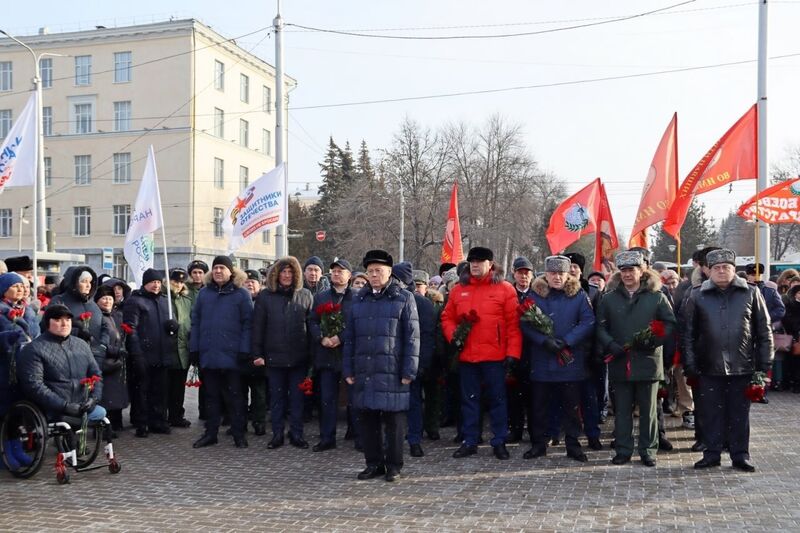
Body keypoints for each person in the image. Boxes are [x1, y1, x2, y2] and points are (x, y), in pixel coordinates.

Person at [683, 249, 773, 472]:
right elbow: (687, 334)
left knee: (739, 415)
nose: (721, 271)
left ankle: (740, 455)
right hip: (708, 366)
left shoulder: (751, 293)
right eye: (716, 268)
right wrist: (691, 365)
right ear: (709, 271)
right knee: (710, 414)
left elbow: (764, 331)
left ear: (734, 270)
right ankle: (711, 454)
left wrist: (764, 366)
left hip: (742, 366)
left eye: (726, 267)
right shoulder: (696, 295)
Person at [343, 250, 420, 482]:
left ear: (389, 273)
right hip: (365, 369)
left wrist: (409, 371)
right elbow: (350, 338)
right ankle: (373, 463)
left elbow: (412, 338)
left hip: (392, 370)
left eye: (379, 271)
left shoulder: (404, 298)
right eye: (370, 271)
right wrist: (348, 369)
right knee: (368, 422)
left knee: (394, 423)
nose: (374, 275)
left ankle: (394, 466)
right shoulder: (359, 299)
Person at [441, 246, 522, 460]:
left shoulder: (505, 289)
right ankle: (470, 441)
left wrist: (513, 353)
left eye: (479, 261)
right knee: (469, 401)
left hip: (495, 357)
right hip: (468, 356)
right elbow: (447, 318)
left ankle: (499, 441)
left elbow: (513, 325)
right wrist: (454, 337)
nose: (475, 265)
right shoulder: (459, 289)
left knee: (497, 401)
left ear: (491, 264)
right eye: (472, 261)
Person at [596, 251, 676, 467]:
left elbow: (669, 324)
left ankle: (648, 450)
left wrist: (651, 341)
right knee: (622, 410)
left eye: (632, 270)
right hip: (619, 361)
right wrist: (611, 344)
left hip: (647, 361)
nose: (627, 274)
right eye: (623, 270)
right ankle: (623, 449)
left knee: (649, 410)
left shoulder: (657, 296)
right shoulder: (609, 298)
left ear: (642, 271)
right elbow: (600, 327)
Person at [522, 256, 595, 462]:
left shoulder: (578, 295)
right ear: (546, 274)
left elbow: (588, 322)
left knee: (572, 407)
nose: (557, 277)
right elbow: (525, 323)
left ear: (568, 274)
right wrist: (543, 341)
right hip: (542, 360)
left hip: (569, 361)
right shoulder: (534, 295)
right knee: (539, 407)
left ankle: (573, 445)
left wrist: (567, 341)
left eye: (561, 273)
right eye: (553, 273)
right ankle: (539, 444)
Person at [191, 256, 253, 449]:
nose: (218, 271)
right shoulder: (204, 294)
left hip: (233, 357)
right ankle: (211, 433)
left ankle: (238, 434)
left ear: (230, 271)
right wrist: (194, 348)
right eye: (215, 268)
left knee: (235, 398)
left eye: (222, 268)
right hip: (209, 355)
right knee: (211, 397)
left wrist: (244, 350)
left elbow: (248, 324)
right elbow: (195, 323)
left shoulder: (241, 294)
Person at [251, 256, 313, 450]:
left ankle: (296, 433)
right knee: (277, 399)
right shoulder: (265, 296)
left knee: (297, 399)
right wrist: (257, 354)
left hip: (299, 357)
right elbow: (258, 327)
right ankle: (277, 434)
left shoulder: (305, 295)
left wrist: (312, 356)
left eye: (290, 272)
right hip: (274, 357)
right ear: (276, 274)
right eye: (283, 272)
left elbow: (311, 327)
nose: (287, 276)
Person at [17, 304, 105, 423]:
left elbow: (96, 375)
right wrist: (64, 406)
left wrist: (93, 399)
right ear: (47, 323)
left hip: (81, 405)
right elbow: (34, 385)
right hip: (52, 408)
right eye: (58, 320)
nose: (65, 324)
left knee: (101, 412)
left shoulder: (81, 344)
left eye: (68, 320)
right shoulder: (34, 349)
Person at [123, 268, 177, 438]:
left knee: (160, 390)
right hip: (144, 354)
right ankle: (142, 422)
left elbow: (173, 323)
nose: (156, 285)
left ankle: (159, 421)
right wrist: (137, 354)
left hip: (162, 353)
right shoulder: (136, 301)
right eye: (153, 282)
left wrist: (175, 327)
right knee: (142, 391)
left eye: (159, 282)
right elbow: (131, 329)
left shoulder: (165, 301)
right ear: (145, 283)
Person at [309, 258, 354, 452]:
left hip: (348, 355)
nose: (336, 274)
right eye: (334, 271)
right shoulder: (321, 297)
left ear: (349, 276)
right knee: (327, 399)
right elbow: (312, 321)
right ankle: (327, 437)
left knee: (353, 398)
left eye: (341, 271)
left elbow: (357, 324)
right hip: (326, 355)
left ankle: (356, 434)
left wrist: (340, 337)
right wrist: (321, 337)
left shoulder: (357, 297)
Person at [392, 263, 435, 458]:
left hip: (413, 361)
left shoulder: (423, 304)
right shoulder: (387, 299)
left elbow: (426, 337)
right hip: (391, 362)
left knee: (414, 401)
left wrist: (422, 363)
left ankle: (414, 439)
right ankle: (394, 439)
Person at [49, 265, 105, 363]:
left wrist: (103, 345)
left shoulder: (93, 304)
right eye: (84, 281)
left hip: (94, 357)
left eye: (90, 282)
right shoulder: (59, 301)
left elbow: (104, 325)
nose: (88, 285)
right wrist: (76, 332)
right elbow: (48, 326)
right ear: (74, 283)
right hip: (67, 356)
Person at [94, 284, 129, 433]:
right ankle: (102, 427)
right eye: (103, 298)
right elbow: (97, 341)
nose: (107, 301)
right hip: (104, 361)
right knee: (105, 396)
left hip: (116, 362)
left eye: (110, 298)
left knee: (115, 395)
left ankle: (114, 423)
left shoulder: (115, 316)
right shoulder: (96, 317)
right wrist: (117, 351)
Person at [508, 256, 535, 444]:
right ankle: (515, 430)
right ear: (514, 274)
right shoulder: (508, 293)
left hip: (533, 351)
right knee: (513, 395)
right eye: (520, 273)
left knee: (534, 396)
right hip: (512, 352)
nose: (523, 277)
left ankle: (535, 431)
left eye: (527, 273)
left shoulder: (538, 294)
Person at [241, 269, 267, 435]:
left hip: (259, 353)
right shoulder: (238, 300)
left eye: (253, 281)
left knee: (259, 393)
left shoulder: (265, 301)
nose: (250, 284)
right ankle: (240, 422)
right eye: (247, 281)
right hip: (241, 353)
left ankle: (259, 422)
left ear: (260, 284)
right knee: (240, 391)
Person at [166, 268, 193, 429]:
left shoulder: (186, 300)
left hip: (182, 349)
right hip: (168, 349)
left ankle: (177, 415)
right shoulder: (164, 298)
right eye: (175, 281)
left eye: (181, 282)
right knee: (165, 386)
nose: (178, 285)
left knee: (178, 387)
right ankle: (163, 415)